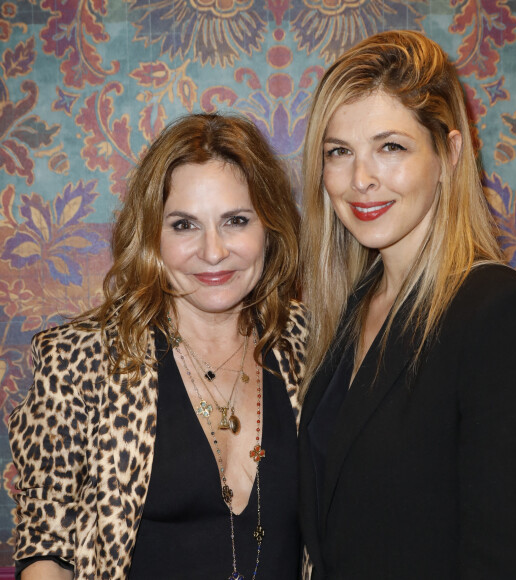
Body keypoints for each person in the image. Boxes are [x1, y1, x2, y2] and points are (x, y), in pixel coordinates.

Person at [298, 30, 516, 579]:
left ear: (449, 153)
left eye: (390, 147)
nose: (361, 179)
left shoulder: (503, 313)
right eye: (339, 152)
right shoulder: (351, 309)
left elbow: (497, 561)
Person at [9, 113, 307, 579]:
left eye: (235, 220)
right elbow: (47, 550)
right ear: (152, 235)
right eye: (185, 225)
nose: (213, 252)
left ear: (269, 228)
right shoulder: (80, 360)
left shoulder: (311, 346)